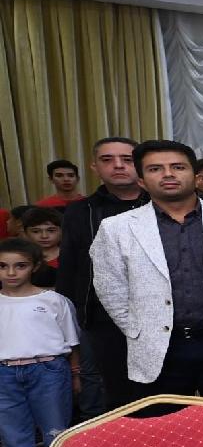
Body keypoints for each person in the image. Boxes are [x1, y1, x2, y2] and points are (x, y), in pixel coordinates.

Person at [91, 141, 203, 401]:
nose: (168, 174)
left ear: (195, 176)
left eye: (178, 167)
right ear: (141, 181)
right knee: (163, 423)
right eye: (155, 169)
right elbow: (111, 289)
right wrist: (140, 329)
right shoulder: (116, 228)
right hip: (158, 347)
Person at [56, 137, 149, 413]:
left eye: (127, 159)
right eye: (107, 160)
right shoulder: (80, 211)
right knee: (115, 390)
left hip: (160, 314)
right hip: (101, 317)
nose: (118, 166)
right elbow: (71, 265)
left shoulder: (159, 204)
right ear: (94, 167)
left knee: (162, 391)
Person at [0, 237, 78, 447]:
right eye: (3, 266)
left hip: (48, 370)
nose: (11, 273)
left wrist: (75, 374)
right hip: (4, 374)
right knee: (15, 438)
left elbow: (72, 342)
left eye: (20, 266)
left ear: (35, 266)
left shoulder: (54, 300)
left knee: (56, 434)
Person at [18, 207, 62, 287]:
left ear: (62, 231)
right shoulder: (17, 259)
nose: (44, 236)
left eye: (51, 230)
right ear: (25, 233)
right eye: (36, 231)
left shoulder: (72, 257)